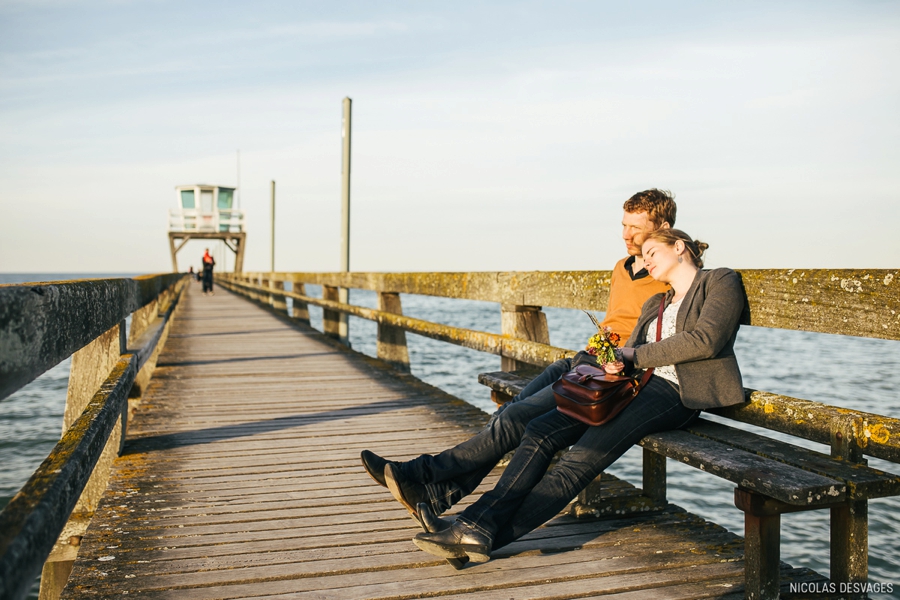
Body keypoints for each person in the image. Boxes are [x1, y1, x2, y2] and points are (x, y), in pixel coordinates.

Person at [412, 229, 748, 564]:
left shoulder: (718, 281)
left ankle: (478, 532)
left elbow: (705, 340)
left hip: (677, 393)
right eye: (642, 256)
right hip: (632, 385)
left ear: (679, 248)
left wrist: (631, 357)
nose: (645, 261)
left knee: (578, 461)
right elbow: (633, 350)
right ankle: (473, 528)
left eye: (652, 253)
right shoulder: (655, 302)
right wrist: (615, 362)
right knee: (540, 431)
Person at [360, 189, 677, 528]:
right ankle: (436, 494)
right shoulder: (621, 267)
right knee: (508, 416)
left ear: (664, 228)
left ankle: (421, 476)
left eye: (636, 228)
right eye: (624, 226)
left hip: (609, 376)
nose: (626, 235)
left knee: (516, 420)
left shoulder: (666, 278)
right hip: (583, 361)